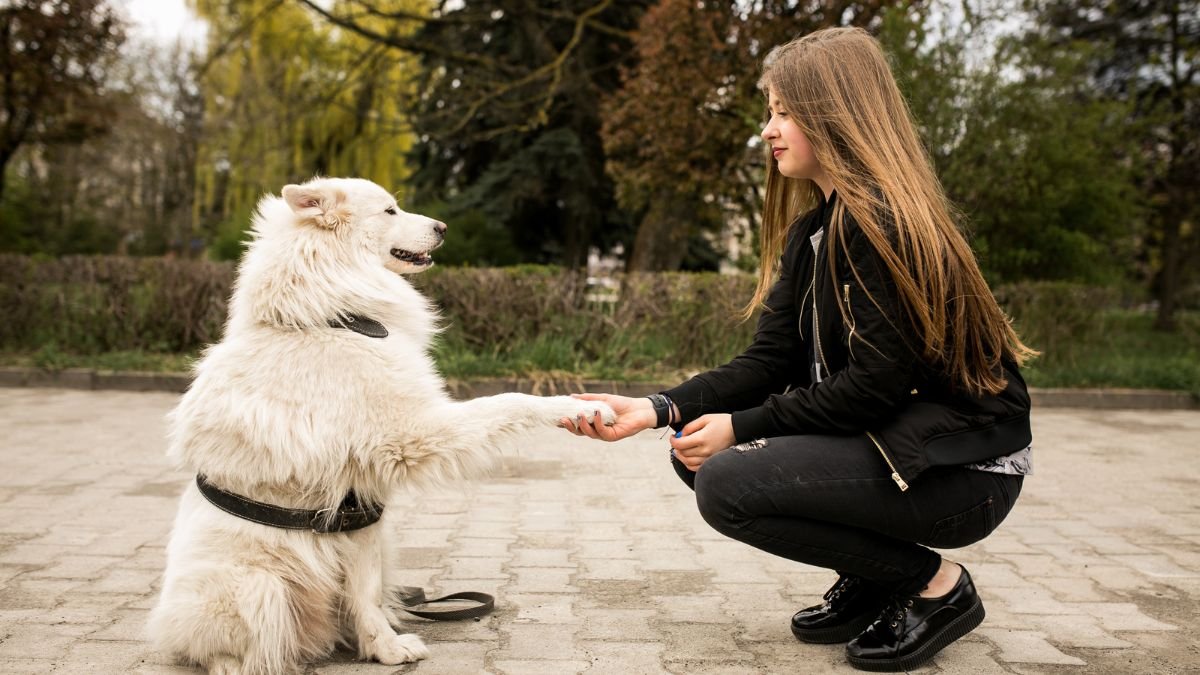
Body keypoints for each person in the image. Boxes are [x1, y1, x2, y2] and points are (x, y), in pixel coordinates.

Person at [561, 26, 1036, 673]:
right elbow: (770, 361)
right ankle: (874, 577)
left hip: (966, 471)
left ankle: (934, 584)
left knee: (727, 479)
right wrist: (657, 407)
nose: (768, 130)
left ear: (833, 114)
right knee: (697, 452)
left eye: (783, 112)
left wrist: (742, 427)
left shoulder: (884, 224)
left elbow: (873, 386)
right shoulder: (815, 229)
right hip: (901, 446)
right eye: (771, 112)